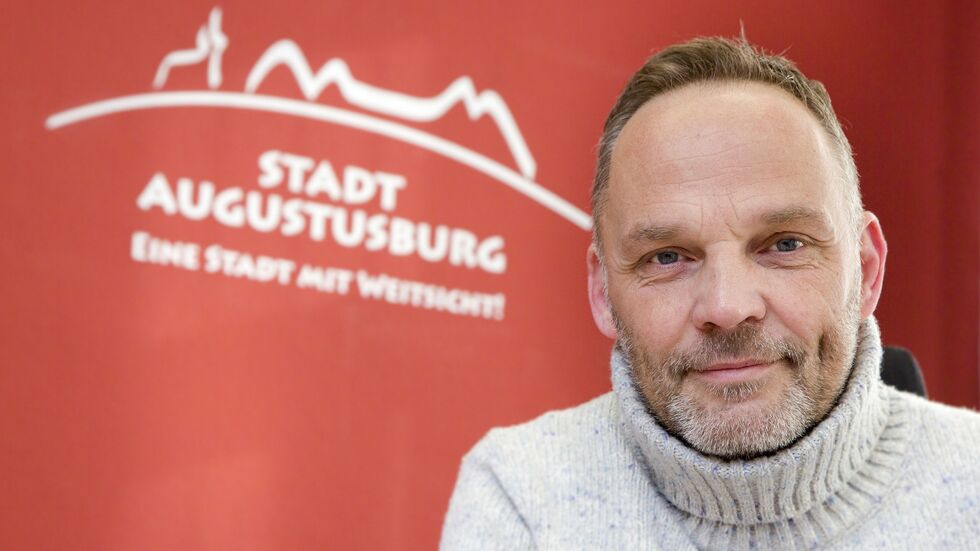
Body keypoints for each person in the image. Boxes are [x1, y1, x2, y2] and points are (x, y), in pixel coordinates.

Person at [440, 36, 980, 550]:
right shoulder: (520, 495)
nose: (727, 307)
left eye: (784, 244)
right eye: (667, 257)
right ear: (603, 291)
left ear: (866, 270)